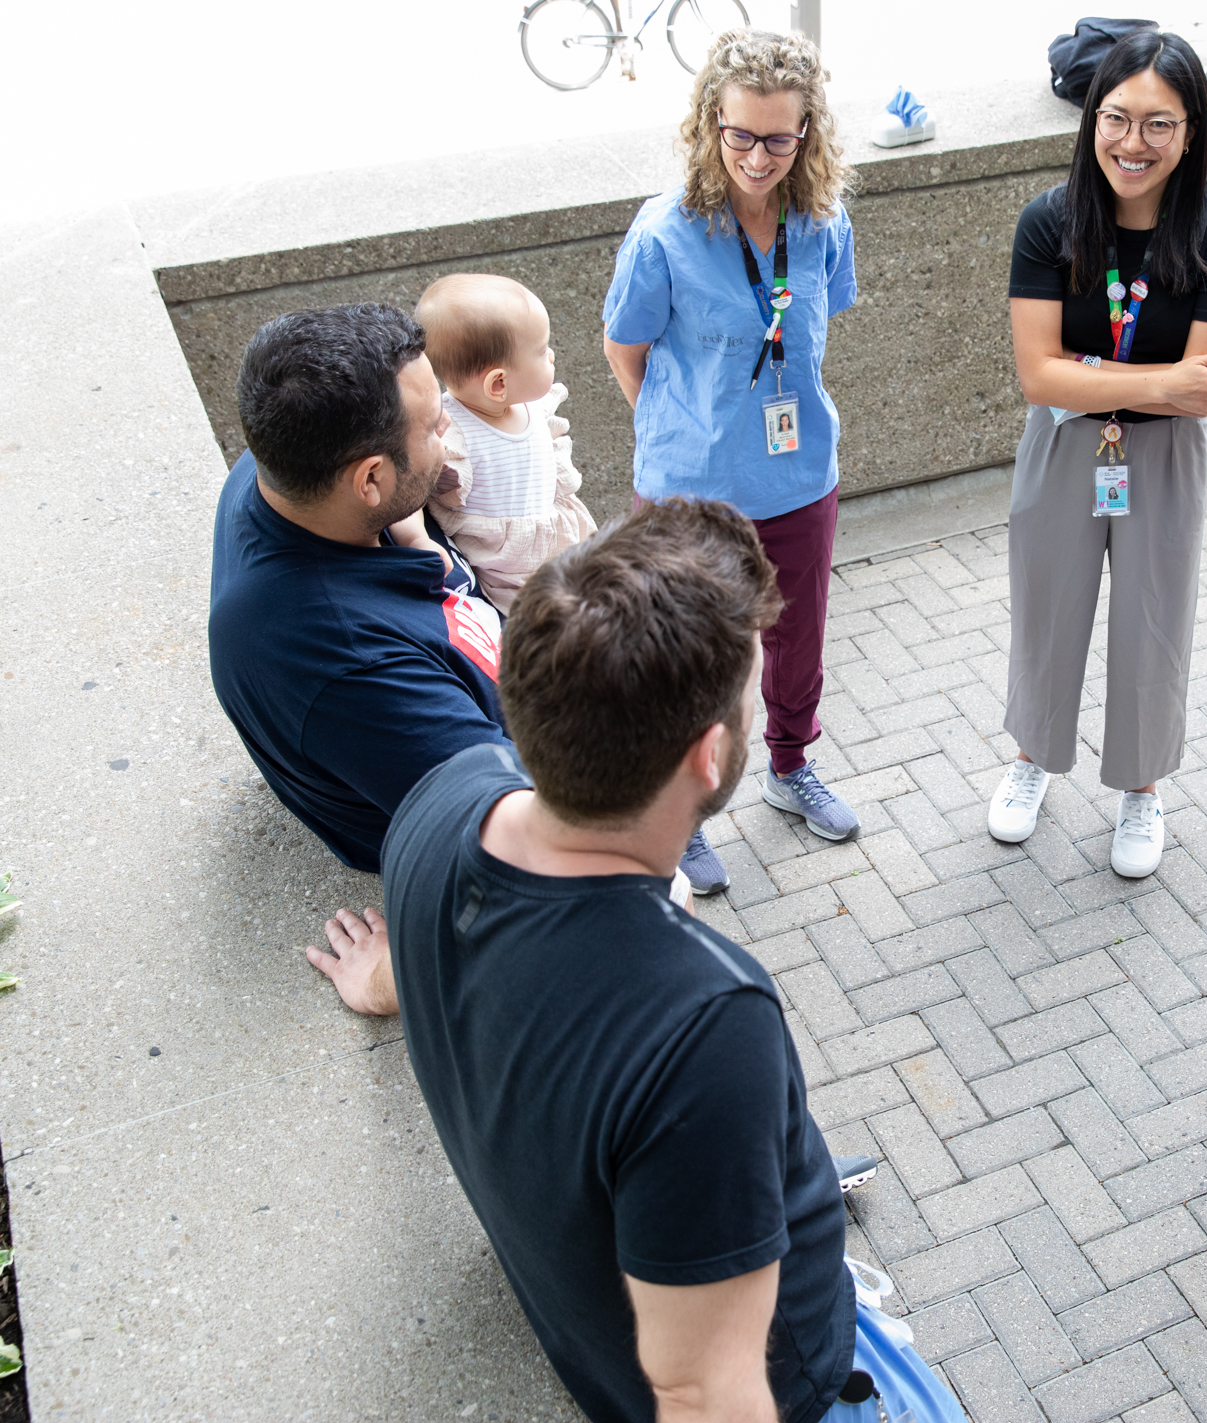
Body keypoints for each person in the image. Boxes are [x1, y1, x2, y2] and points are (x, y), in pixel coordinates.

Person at [380, 499, 960, 1423]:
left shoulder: (440, 800)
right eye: (749, 691)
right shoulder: (703, 1024)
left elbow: (433, 972)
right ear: (708, 755)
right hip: (812, 1393)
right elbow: (701, 1395)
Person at [991, 28, 1207, 879]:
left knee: (1153, 620)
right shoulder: (1050, 221)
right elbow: (1038, 377)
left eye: (1158, 124)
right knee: (1046, 605)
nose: (1132, 144)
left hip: (1165, 458)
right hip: (1064, 447)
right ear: (1090, 119)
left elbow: (1203, 390)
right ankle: (1033, 758)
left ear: (1191, 130)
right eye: (1116, 118)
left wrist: (1096, 375)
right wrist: (1157, 380)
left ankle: (1142, 785)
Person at [603, 28, 859, 899]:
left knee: (798, 637)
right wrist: (676, 432)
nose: (757, 156)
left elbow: (819, 323)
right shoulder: (663, 231)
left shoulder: (822, 218)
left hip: (798, 476)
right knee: (688, 658)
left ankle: (790, 768)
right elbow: (624, 345)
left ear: (807, 133)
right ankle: (685, 816)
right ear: (712, 122)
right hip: (689, 491)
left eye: (778, 138)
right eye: (740, 134)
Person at [210, 302, 507, 882]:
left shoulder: (280, 467)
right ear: (369, 479)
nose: (451, 426)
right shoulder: (348, 664)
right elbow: (521, 831)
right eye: (432, 426)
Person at [412, 273, 597, 613]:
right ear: (498, 384)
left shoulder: (532, 408)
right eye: (542, 351)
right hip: (509, 585)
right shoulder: (450, 430)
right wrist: (415, 539)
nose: (552, 356)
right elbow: (408, 484)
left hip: (565, 554)